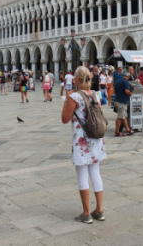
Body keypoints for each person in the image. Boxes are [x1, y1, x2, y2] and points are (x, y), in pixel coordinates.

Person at [61, 66, 106, 223]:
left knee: (82, 175)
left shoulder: (74, 96)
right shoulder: (95, 95)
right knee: (95, 173)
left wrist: (66, 100)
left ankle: (86, 213)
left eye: (74, 77)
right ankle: (99, 210)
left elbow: (65, 119)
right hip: (96, 139)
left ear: (78, 80)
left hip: (82, 141)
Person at [113, 70, 133, 136]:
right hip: (122, 101)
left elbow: (114, 90)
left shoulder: (118, 80)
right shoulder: (125, 82)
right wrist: (131, 94)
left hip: (117, 100)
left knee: (124, 116)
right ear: (127, 76)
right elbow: (126, 91)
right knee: (120, 117)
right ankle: (117, 132)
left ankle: (128, 130)